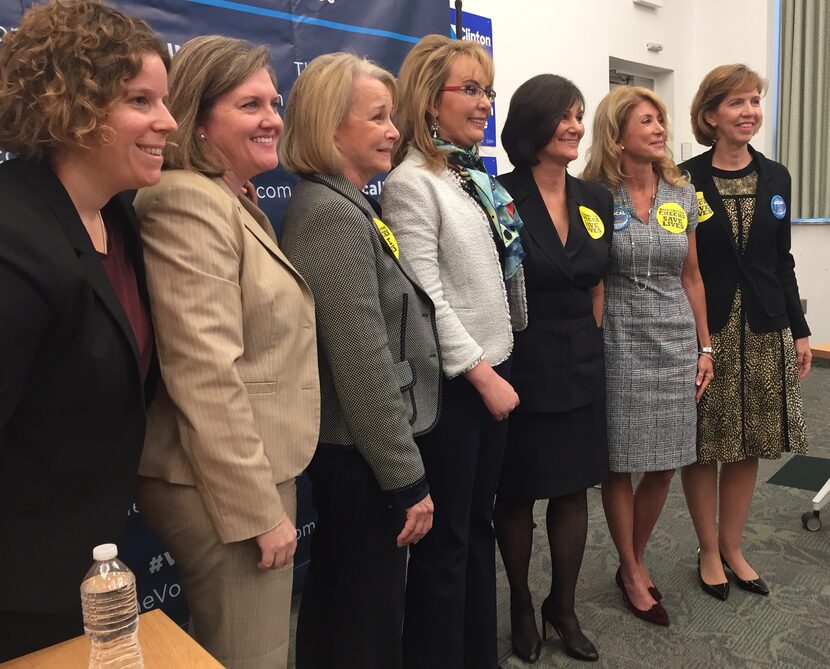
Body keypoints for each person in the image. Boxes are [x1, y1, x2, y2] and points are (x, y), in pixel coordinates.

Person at [133, 36, 319, 669]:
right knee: (253, 656)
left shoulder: (233, 201)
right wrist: (257, 511)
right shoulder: (187, 201)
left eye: (274, 101)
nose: (272, 117)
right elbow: (204, 372)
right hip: (223, 487)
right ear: (200, 120)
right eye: (249, 105)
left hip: (249, 468)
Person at [0, 0, 176, 659]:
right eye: (141, 100)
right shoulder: (15, 241)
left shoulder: (119, 217)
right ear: (69, 105)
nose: (169, 122)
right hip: (20, 591)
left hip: (87, 567)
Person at [278, 52, 442, 669]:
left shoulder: (349, 203)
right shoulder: (330, 215)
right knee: (359, 622)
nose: (395, 132)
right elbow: (361, 362)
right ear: (328, 127)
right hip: (361, 460)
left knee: (358, 610)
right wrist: (407, 479)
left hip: (364, 454)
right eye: (377, 118)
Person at [381, 34, 527, 669]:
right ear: (426, 98)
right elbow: (427, 297)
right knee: (448, 546)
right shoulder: (412, 182)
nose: (483, 102)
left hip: (495, 367)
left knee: (479, 529)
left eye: (486, 90)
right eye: (469, 89)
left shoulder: (467, 175)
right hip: (457, 389)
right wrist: (482, 374)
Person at [582, 86, 713, 627]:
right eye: (647, 121)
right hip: (617, 339)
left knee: (664, 460)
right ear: (617, 134)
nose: (660, 129)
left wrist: (705, 345)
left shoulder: (683, 196)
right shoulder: (592, 195)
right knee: (621, 460)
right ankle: (633, 569)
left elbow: (692, 276)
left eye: (661, 120)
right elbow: (592, 282)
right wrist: (589, 347)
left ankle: (630, 558)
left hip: (675, 338)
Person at [679, 64, 810, 600]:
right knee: (703, 444)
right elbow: (681, 268)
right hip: (706, 330)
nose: (749, 112)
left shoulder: (776, 175)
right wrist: (692, 336)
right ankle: (707, 549)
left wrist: (800, 331)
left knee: (747, 442)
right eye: (736, 103)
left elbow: (782, 261)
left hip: (764, 326)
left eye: (755, 101)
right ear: (711, 115)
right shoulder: (682, 178)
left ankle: (733, 546)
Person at [495, 74, 611, 664]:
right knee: (517, 495)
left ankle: (561, 606)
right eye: (563, 116)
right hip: (520, 365)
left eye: (579, 115)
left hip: (581, 365)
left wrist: (591, 339)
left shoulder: (595, 197)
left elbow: (595, 282)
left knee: (572, 492)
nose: (574, 126)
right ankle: (520, 604)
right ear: (532, 125)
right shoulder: (497, 195)